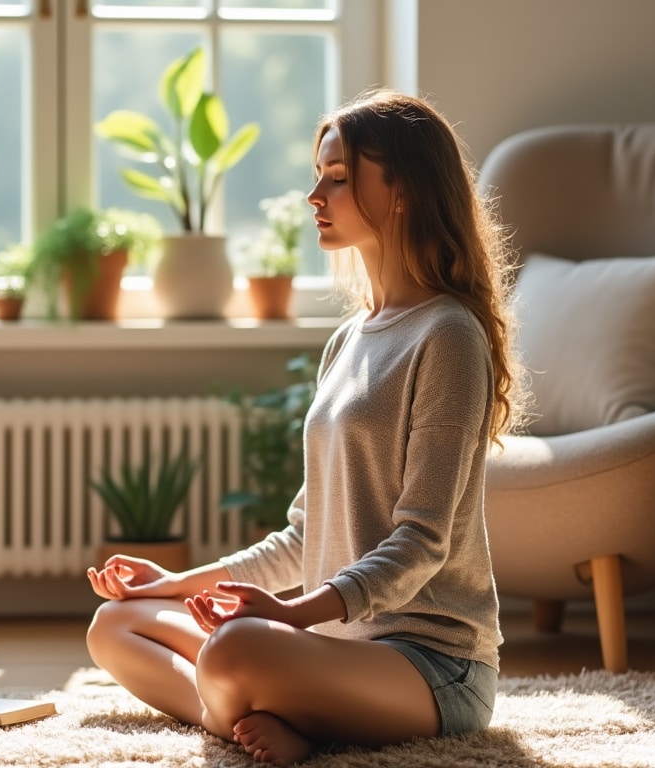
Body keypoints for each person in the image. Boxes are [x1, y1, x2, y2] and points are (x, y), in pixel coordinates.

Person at [85, 88, 528, 766]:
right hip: (335, 650)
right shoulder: (349, 338)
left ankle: (254, 708)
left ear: (403, 190)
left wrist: (289, 616)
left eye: (339, 178)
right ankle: (246, 710)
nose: (315, 195)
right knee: (115, 624)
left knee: (237, 646)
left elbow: (421, 543)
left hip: (431, 666)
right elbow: (305, 534)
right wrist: (173, 583)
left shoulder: (449, 336)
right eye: (318, 176)